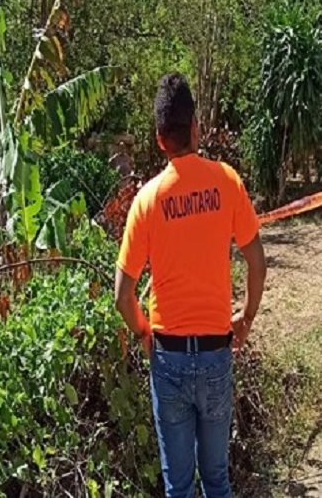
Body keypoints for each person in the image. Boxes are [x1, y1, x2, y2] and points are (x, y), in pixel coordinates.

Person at [114, 74, 267, 498]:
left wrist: (143, 333)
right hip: (216, 353)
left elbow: (123, 296)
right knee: (217, 480)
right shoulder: (227, 182)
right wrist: (246, 317)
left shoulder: (147, 201)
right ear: (196, 127)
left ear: (159, 139)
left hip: (169, 358)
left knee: (178, 487)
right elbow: (257, 263)